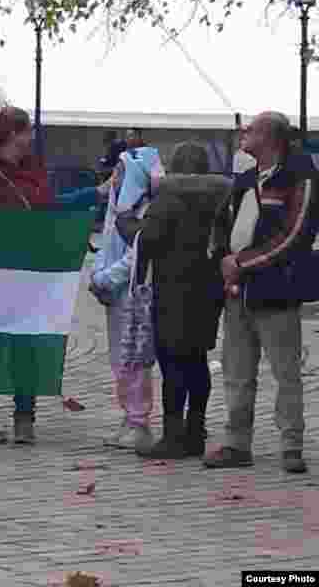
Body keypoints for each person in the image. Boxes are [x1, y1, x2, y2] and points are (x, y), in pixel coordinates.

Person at [0, 105, 107, 444]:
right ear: (12, 135)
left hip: (28, 274)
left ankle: (24, 417)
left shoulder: (32, 171)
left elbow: (49, 206)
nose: (31, 138)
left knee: (26, 344)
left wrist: (94, 194)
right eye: (26, 132)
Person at [205, 112, 318, 474]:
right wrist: (223, 257)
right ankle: (237, 443)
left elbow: (295, 233)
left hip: (277, 290)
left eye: (250, 129)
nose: (243, 133)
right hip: (237, 291)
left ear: (270, 138)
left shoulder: (299, 178)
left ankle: (291, 445)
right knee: (237, 371)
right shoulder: (246, 178)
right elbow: (222, 222)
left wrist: (245, 262)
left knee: (286, 371)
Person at [116, 142, 231, 459]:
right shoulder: (222, 198)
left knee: (173, 362)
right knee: (197, 360)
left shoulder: (169, 197)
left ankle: (172, 436)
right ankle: (196, 431)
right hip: (209, 290)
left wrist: (124, 222)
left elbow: (148, 238)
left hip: (173, 291)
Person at [89, 146, 165, 453]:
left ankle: (139, 421)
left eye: (119, 172)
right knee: (120, 360)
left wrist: (107, 278)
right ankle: (129, 416)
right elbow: (106, 245)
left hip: (135, 296)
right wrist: (97, 275)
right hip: (116, 294)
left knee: (135, 360)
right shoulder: (117, 209)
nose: (113, 178)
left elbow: (138, 256)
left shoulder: (146, 211)